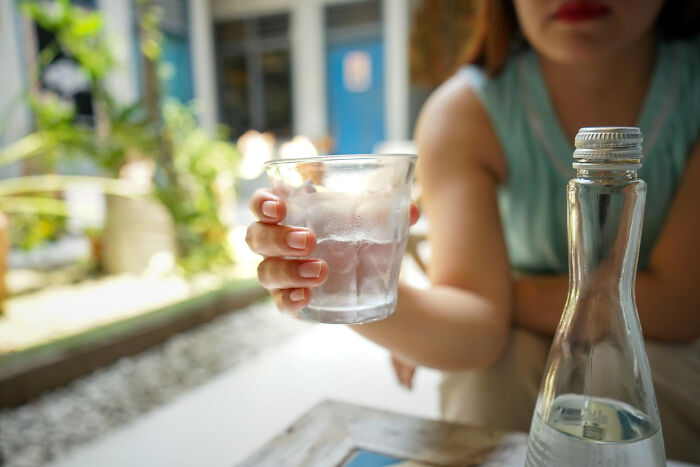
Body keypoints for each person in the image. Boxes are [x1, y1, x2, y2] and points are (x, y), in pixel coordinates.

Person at [245, 0, 700, 462]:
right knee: (490, 374)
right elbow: (476, 333)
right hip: (511, 351)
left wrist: (503, 300)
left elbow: (680, 309)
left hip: (664, 351)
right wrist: (347, 283)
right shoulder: (464, 111)